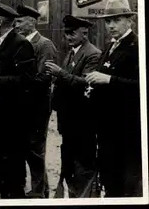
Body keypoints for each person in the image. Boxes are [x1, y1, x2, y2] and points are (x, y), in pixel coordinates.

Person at [0, 1, 37, 199]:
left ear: (0, 20)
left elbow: (28, 80)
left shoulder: (20, 43)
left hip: (11, 118)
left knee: (11, 167)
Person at [86, 0, 141, 197]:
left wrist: (109, 80)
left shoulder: (136, 47)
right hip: (107, 127)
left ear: (129, 21)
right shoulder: (111, 47)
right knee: (110, 180)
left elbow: (139, 87)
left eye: (116, 20)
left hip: (127, 130)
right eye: (108, 22)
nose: (110, 26)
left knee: (127, 185)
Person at [45, 15, 101, 198]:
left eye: (72, 33)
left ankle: (85, 197)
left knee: (83, 165)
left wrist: (60, 73)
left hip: (82, 120)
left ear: (84, 34)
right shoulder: (73, 51)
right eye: (66, 33)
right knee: (68, 163)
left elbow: (86, 83)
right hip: (68, 119)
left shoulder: (92, 54)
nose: (68, 37)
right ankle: (73, 195)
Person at [15, 5, 58, 198]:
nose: (16, 25)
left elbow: (44, 78)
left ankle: (39, 193)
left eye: (20, 21)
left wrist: (18, 83)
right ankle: (36, 189)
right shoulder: (20, 42)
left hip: (37, 106)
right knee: (25, 148)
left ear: (32, 22)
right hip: (24, 106)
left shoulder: (44, 45)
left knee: (35, 150)